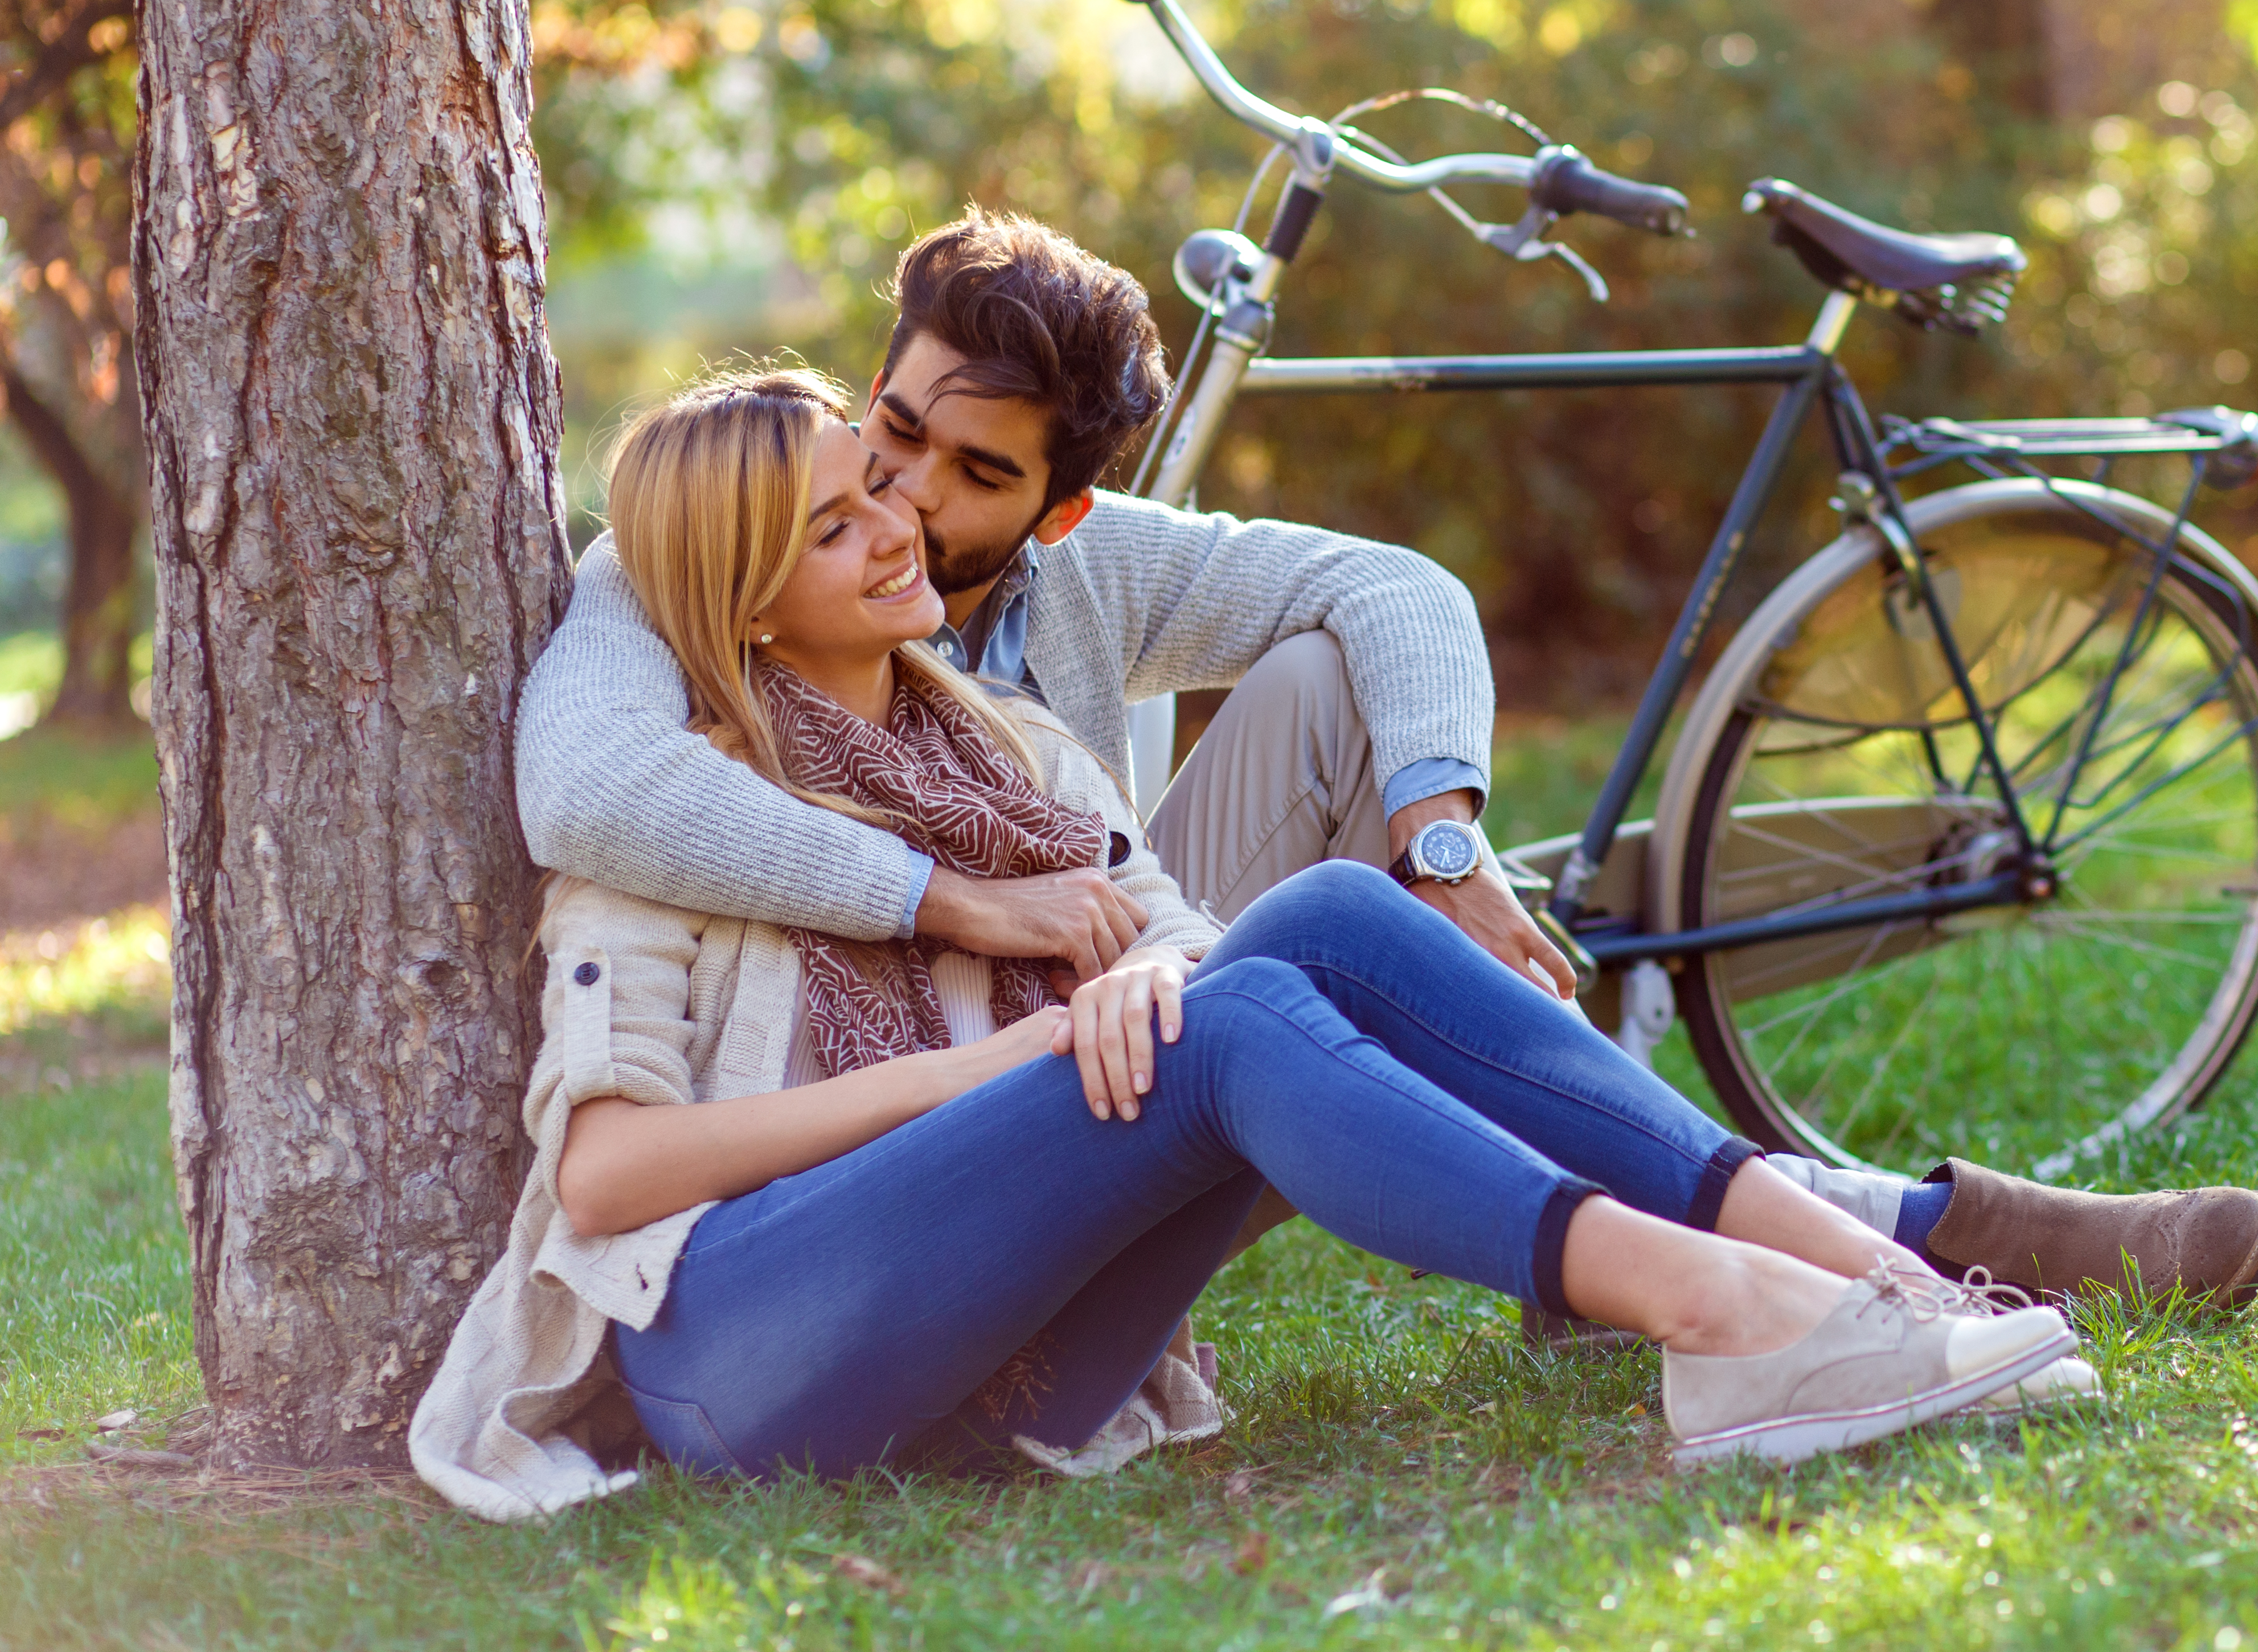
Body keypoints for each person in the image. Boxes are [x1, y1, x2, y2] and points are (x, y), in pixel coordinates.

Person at [511, 211, 2258, 1307]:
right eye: (894, 431)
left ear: (1059, 504)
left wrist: (1447, 840)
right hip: (968, 1112)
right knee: (1310, 953)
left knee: (1330, 706)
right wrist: (962, 900)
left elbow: (1398, 588)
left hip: (1137, 1003)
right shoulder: (723, 544)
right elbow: (582, 794)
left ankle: (1853, 1233)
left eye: (972, 476)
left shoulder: (1083, 576)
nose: (901, 498)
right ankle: (1860, 1238)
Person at [411, 370, 2089, 1519]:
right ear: (744, 600)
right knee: (1222, 1024)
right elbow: (610, 1180)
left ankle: (1872, 1280)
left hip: (999, 1349)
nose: (901, 523)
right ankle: (1723, 1319)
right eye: (837, 527)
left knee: (1327, 919)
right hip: (737, 1364)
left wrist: (1152, 963)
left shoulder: (1004, 750)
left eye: (879, 489)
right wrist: (977, 1073)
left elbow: (1203, 939)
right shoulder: (682, 810)